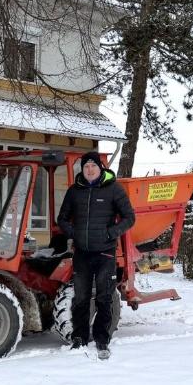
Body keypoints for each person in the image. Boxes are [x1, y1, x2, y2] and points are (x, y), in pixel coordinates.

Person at [57, 151, 135, 359]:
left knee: (103, 297)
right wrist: (74, 233)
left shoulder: (113, 189)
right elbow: (62, 218)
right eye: (86, 167)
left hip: (105, 254)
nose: (89, 170)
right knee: (81, 298)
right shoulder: (75, 191)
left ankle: (102, 339)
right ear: (82, 170)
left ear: (100, 168)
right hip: (82, 253)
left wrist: (111, 233)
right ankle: (79, 337)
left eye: (93, 166)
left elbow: (129, 217)